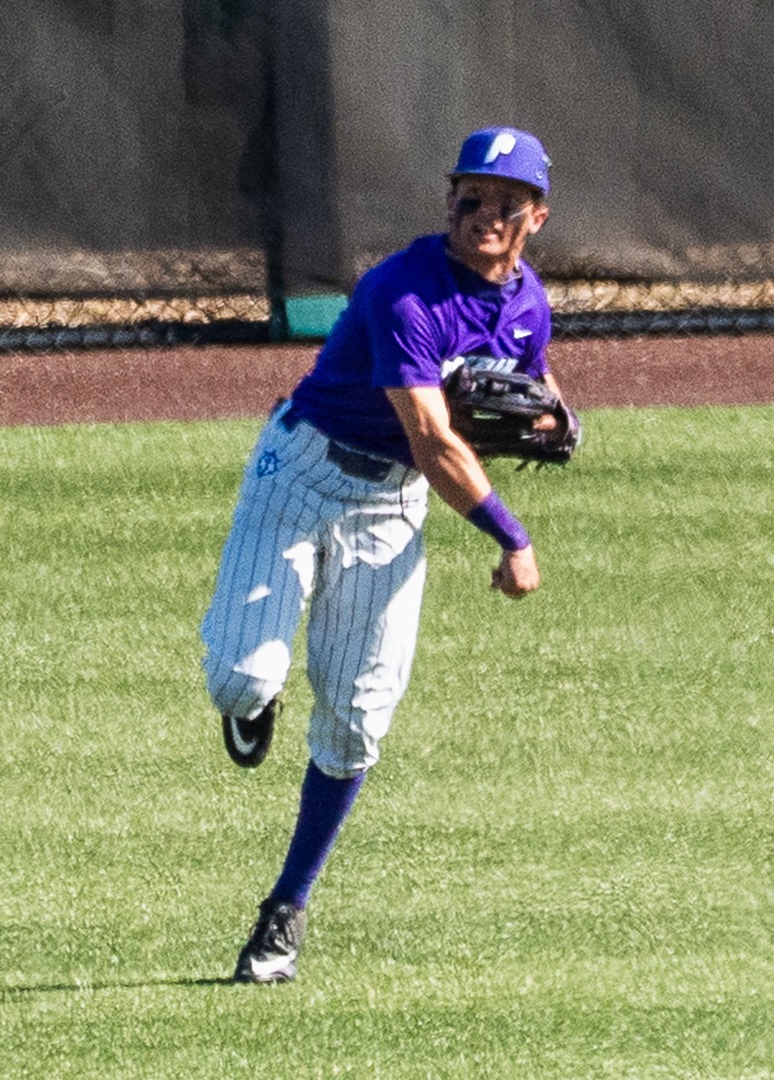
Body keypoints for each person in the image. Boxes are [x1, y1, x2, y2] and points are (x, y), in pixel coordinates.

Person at [199, 126, 570, 984]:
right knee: (242, 678)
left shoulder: (528, 300)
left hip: (388, 509)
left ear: (536, 218)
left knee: (358, 723)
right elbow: (436, 441)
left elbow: (536, 375)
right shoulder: (403, 293)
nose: (484, 214)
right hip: (299, 477)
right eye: (470, 196)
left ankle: (284, 912)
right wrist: (512, 537)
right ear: (448, 201)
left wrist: (557, 417)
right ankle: (254, 705)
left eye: (505, 203)